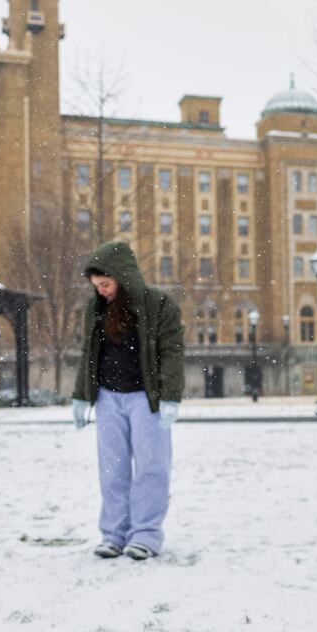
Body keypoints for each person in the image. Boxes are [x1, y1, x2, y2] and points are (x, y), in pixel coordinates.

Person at [71, 240, 185, 561]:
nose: (102, 291)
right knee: (113, 468)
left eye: (105, 284)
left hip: (146, 399)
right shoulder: (97, 309)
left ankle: (146, 534)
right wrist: (82, 396)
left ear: (121, 276)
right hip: (109, 398)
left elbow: (172, 352)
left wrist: (170, 397)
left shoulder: (159, 304)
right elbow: (89, 354)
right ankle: (114, 534)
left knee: (151, 466)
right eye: (97, 286)